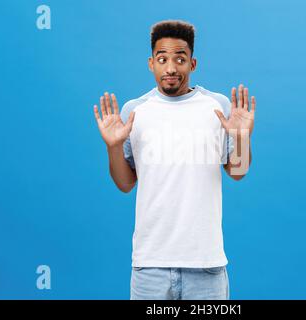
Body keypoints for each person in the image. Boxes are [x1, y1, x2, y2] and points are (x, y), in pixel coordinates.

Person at [93, 20, 255, 300]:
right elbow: (125, 184)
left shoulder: (217, 107)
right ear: (151, 64)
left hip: (206, 264)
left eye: (180, 59)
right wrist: (113, 147)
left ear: (192, 64)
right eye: (162, 59)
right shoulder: (136, 111)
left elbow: (237, 172)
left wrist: (240, 136)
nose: (170, 68)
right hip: (150, 265)